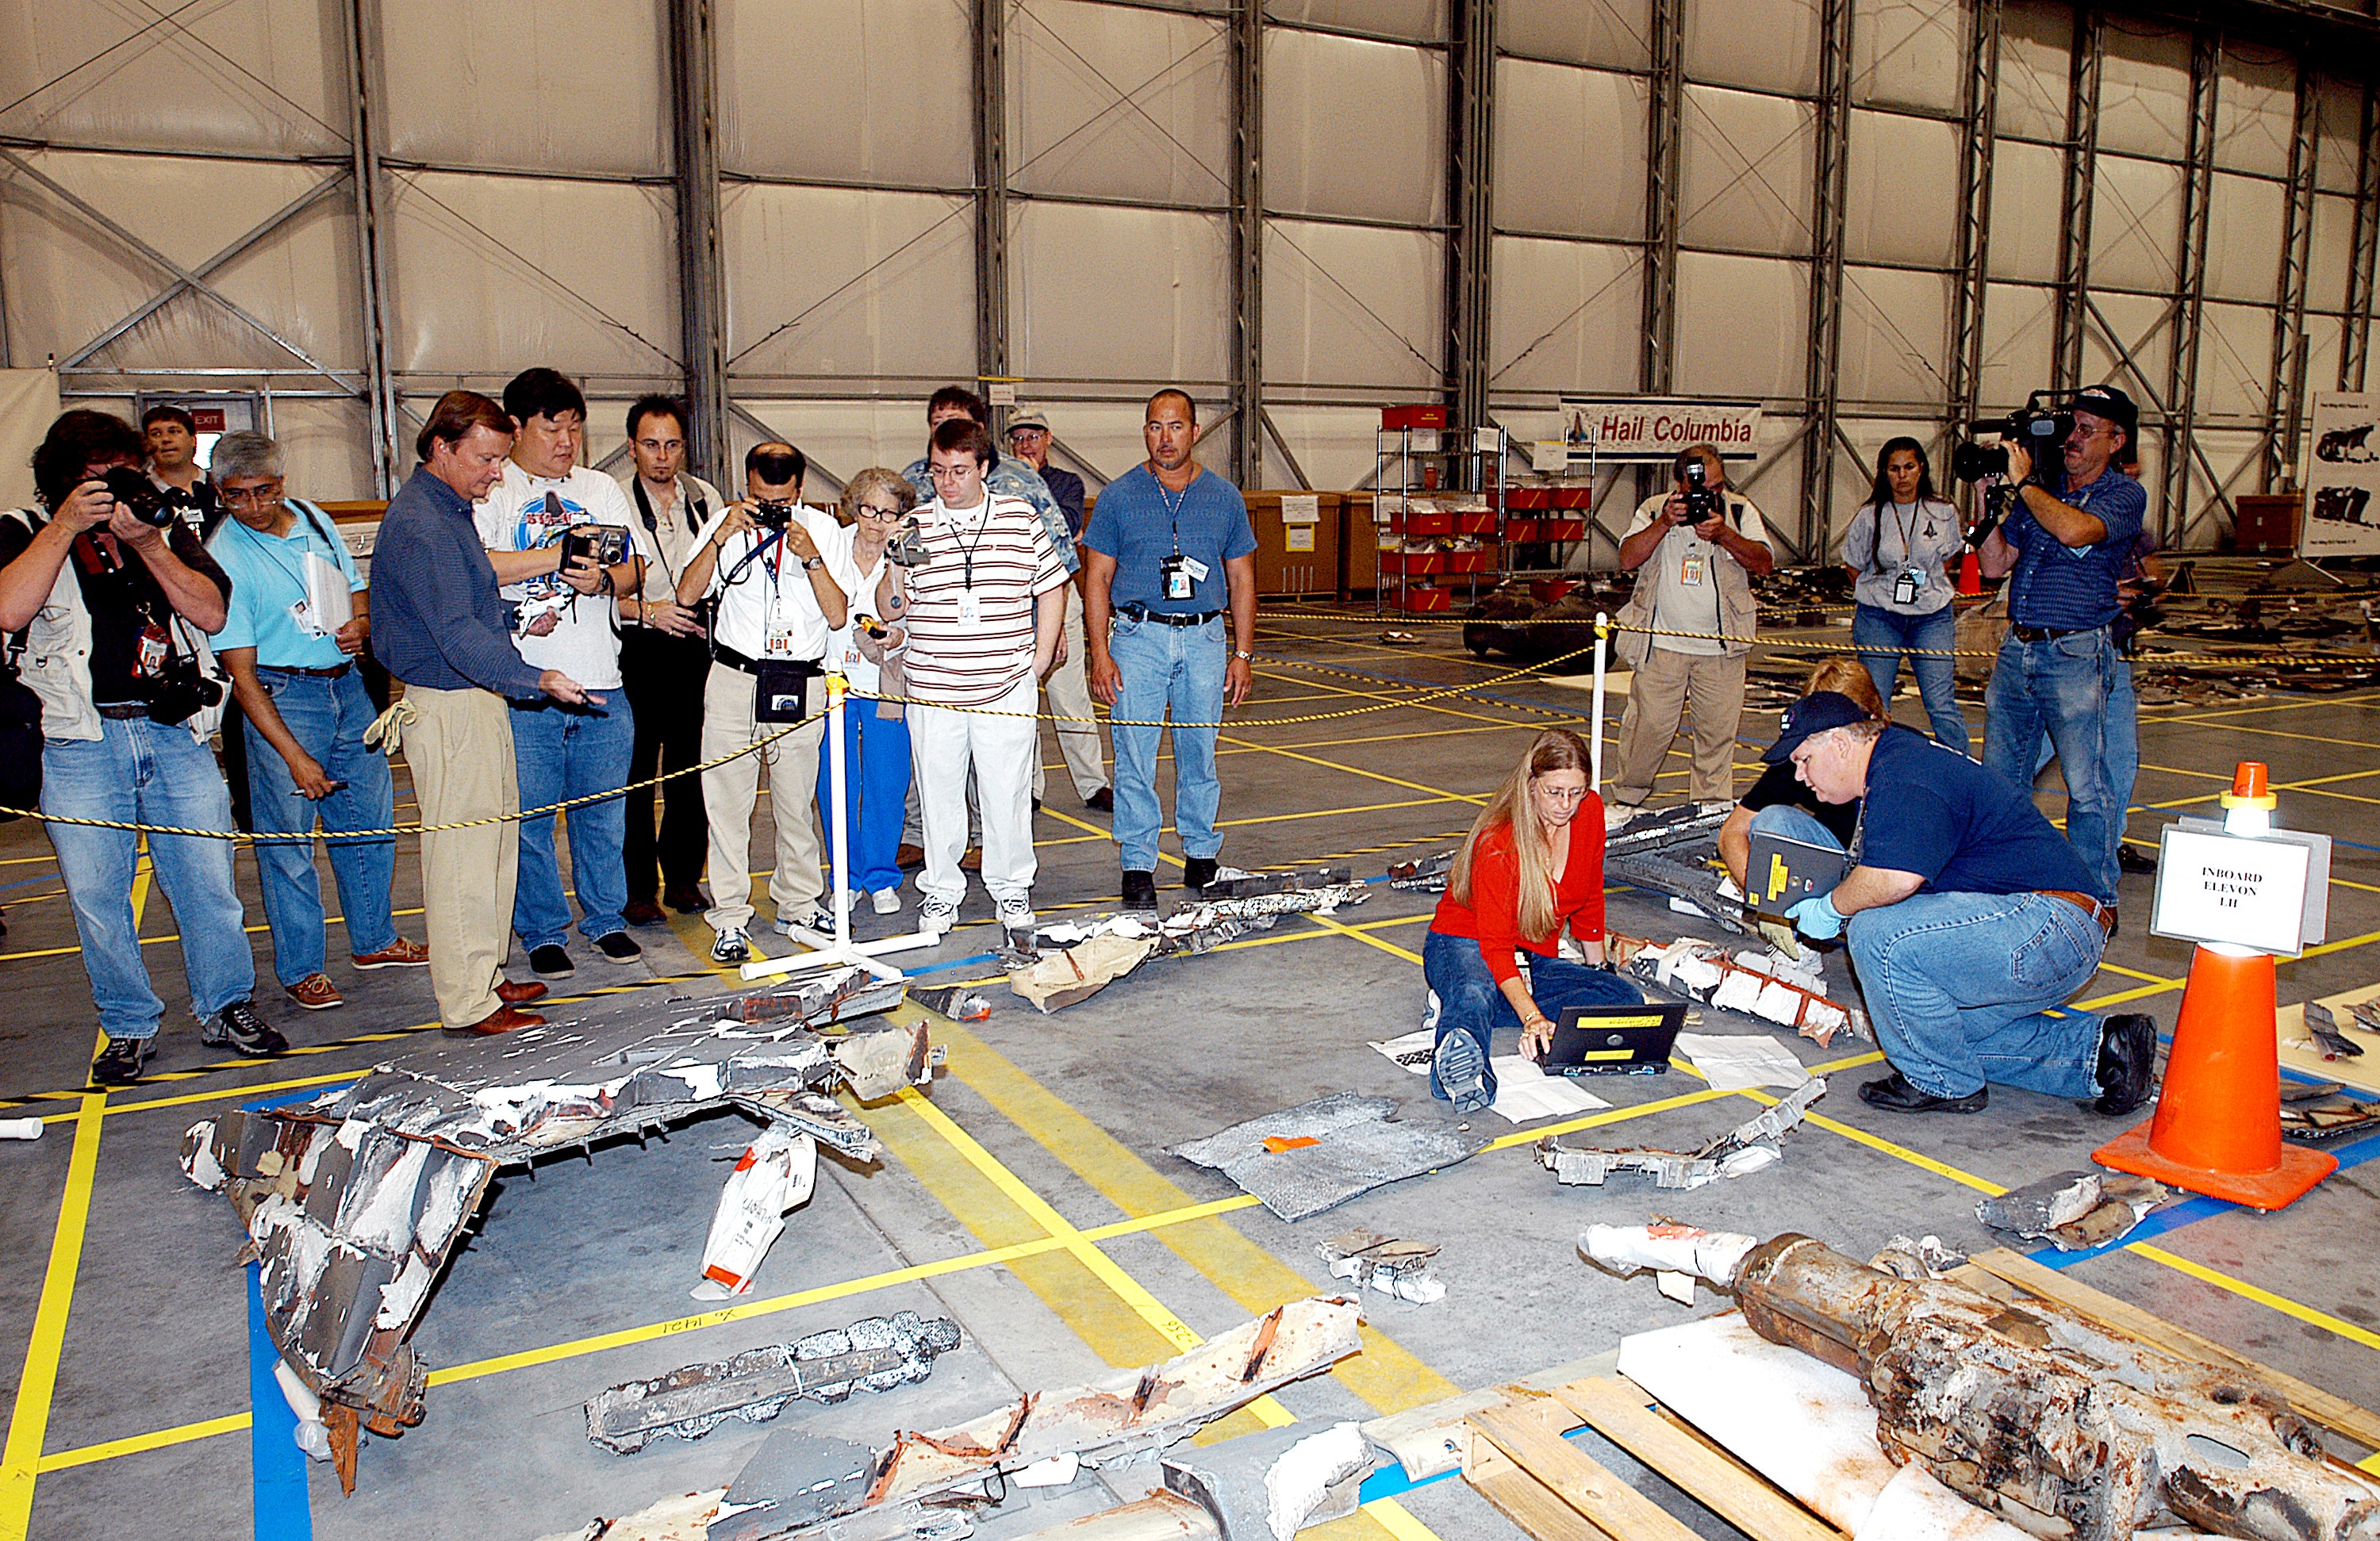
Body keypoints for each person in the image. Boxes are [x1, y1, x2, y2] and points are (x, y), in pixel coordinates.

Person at [0, 409, 282, 1083]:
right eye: (94, 482)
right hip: (79, 739)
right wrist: (67, 525)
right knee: (98, 897)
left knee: (210, 883)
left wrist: (154, 546)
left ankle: (227, 1005)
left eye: (121, 477)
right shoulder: (25, 530)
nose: (111, 494)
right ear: (61, 482)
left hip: (173, 731)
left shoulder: (163, 529)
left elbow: (211, 612)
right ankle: (127, 1025)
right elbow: (10, 610)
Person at [1763, 689, 2155, 1116]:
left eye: (1804, 760)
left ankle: (1944, 1083)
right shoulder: (1897, 761)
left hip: (2050, 928)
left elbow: (1894, 880)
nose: (1800, 776)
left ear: (1839, 744)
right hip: (2043, 932)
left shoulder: (1904, 773)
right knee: (1933, 1037)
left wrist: (1831, 909)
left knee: (1877, 936)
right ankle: (2104, 1053)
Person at [370, 389, 599, 1037]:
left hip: (477, 697)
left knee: (494, 848)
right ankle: (467, 1001)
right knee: (463, 859)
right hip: (449, 704)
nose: (497, 473)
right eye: (487, 459)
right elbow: (454, 634)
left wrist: (515, 629)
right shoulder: (420, 523)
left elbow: (475, 610)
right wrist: (537, 677)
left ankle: (485, 972)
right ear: (441, 448)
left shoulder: (450, 509)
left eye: (501, 460)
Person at [205, 430, 425, 1012]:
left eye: (266, 491)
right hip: (280, 696)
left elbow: (356, 593)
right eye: (237, 495)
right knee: (288, 845)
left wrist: (361, 623)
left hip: (347, 687)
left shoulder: (312, 519)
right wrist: (293, 755)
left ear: (284, 483)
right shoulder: (222, 558)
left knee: (369, 823)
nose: (254, 506)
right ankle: (301, 967)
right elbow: (243, 678)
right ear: (217, 491)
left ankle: (375, 940)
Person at [476, 367, 650, 979]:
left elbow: (634, 570)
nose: (565, 442)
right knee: (531, 817)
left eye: (574, 429)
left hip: (602, 676)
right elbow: (482, 567)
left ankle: (605, 918)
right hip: (528, 682)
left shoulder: (600, 488)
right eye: (553, 429)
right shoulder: (494, 491)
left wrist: (605, 579)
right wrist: (554, 557)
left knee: (603, 812)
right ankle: (543, 929)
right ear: (517, 427)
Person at [1081, 389, 1258, 912]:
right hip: (1138, 639)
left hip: (1204, 638)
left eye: (1176, 427)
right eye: (1156, 427)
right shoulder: (1118, 497)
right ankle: (1138, 862)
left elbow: (1242, 576)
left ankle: (1201, 853)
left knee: (1198, 754)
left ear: (1195, 431)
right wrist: (1100, 652)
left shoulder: (1225, 497)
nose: (1166, 438)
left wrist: (1243, 652)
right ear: (1145, 433)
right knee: (1135, 755)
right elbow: (1097, 577)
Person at [677, 441, 854, 964]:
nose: (770, 507)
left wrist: (810, 557)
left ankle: (799, 902)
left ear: (799, 491)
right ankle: (730, 915)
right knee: (727, 805)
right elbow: (687, 595)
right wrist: (722, 535)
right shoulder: (723, 525)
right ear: (746, 488)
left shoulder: (823, 532)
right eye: (759, 497)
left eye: (781, 499)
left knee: (796, 802)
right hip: (733, 677)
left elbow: (840, 614)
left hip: (800, 679)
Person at [1977, 384, 2146, 907]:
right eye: (2071, 425)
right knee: (2001, 782)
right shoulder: (2044, 494)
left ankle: (2096, 899)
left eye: (2086, 430)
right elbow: (1994, 564)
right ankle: (2003, 880)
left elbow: (2076, 532)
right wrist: (1990, 503)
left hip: (2076, 654)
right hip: (2019, 649)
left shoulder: (2122, 495)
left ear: (2116, 442)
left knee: (2088, 786)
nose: (2072, 437)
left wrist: (2025, 483)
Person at [1422, 728, 1644, 1114]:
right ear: (1531, 785)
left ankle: (1467, 1005)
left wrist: (1600, 969)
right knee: (1476, 987)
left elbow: (1589, 894)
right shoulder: (1498, 842)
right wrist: (1532, 1018)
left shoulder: (1589, 812)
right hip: (1465, 937)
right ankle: (1465, 1068)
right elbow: (1495, 945)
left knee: (1621, 1000)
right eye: (1554, 792)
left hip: (1533, 951)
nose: (1565, 805)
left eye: (1576, 792)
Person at [902, 418, 1067, 936]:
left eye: (958, 470)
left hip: (1005, 687)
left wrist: (1038, 662)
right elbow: (894, 600)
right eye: (938, 471)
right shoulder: (914, 525)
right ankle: (942, 893)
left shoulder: (1020, 517)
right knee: (940, 796)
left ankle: (1012, 890)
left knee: (1007, 795)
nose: (947, 481)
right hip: (933, 690)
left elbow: (1053, 585)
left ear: (985, 468)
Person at [1606, 444, 1775, 822]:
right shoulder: (1653, 509)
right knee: (1645, 733)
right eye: (1700, 487)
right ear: (1679, 482)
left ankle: (1710, 811)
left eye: (1716, 486)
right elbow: (1628, 558)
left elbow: (1764, 562)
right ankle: (1626, 801)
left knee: (1717, 738)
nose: (1708, 495)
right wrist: (1665, 523)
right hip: (1661, 647)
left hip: (1721, 648)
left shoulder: (1739, 510)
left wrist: (1725, 535)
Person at [616, 394, 724, 923]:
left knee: (692, 771)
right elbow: (590, 592)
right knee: (635, 775)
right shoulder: (611, 503)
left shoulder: (705, 498)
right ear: (632, 446)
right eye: (651, 444)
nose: (662, 456)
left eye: (673, 445)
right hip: (636, 647)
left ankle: (683, 877)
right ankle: (637, 887)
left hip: (695, 650)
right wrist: (647, 611)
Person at [818, 469, 916, 915]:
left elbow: (925, 618)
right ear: (852, 506)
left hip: (886, 684)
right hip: (832, 681)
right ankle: (845, 875)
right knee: (836, 783)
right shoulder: (828, 545)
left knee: (886, 781)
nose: (877, 521)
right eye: (868, 509)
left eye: (888, 513)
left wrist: (898, 638)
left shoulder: (910, 555)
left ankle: (881, 876)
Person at [1006, 407, 1111, 812]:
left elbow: (1062, 525)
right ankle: (1028, 787)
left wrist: (1030, 485)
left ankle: (1093, 783)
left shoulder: (1067, 482)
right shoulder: (996, 482)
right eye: (1017, 438)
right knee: (1020, 697)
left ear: (1048, 438)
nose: (1025, 444)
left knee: (1071, 697)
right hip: (1011, 601)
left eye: (1033, 436)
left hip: (1059, 595)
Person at [1842, 437, 1969, 751]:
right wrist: (1882, 591)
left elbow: (1949, 557)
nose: (1902, 475)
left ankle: (1962, 772)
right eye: (1894, 469)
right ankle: (1870, 770)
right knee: (1875, 703)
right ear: (1885, 473)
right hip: (1880, 617)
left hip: (1932, 617)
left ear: (1921, 469)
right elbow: (1853, 565)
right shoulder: (1869, 515)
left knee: (1941, 704)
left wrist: (1922, 582)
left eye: (1909, 467)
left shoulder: (1943, 512)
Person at [1714, 657, 1881, 891]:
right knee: (1772, 820)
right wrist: (1760, 893)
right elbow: (1732, 832)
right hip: (1837, 857)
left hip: (1886, 868)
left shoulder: (1897, 765)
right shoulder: (1798, 762)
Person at [143, 404, 223, 536]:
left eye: (174, 431)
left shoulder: (219, 486)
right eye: (156, 434)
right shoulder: (141, 494)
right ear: (147, 444)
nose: (166, 439)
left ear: (193, 440)